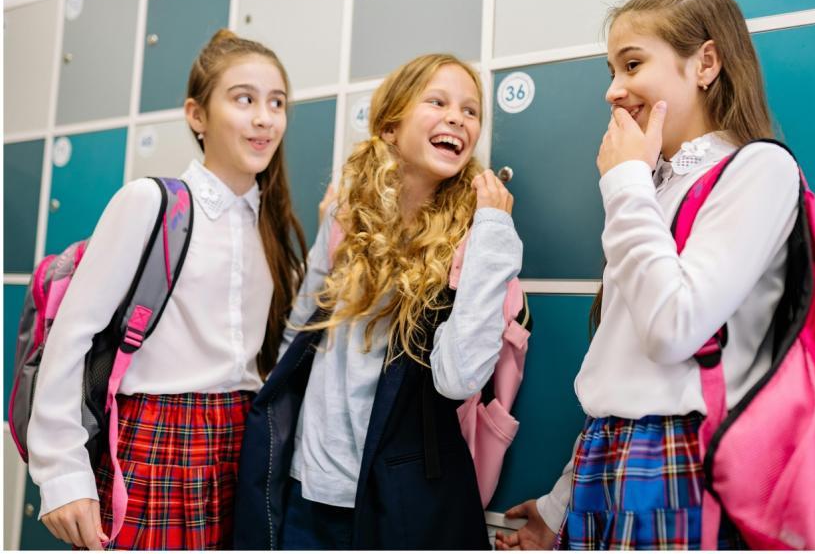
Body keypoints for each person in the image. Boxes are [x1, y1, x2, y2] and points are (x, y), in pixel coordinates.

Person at [496, 0, 799, 550]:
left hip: (681, 460)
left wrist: (625, 183)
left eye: (633, 64)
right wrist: (560, 503)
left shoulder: (758, 168)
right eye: (612, 69)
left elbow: (673, 330)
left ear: (705, 63)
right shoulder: (650, 184)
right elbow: (621, 371)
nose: (613, 89)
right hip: (606, 456)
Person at [27, 29, 307, 550]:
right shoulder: (150, 203)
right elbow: (72, 337)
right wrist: (62, 472)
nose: (265, 118)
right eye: (244, 99)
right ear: (197, 115)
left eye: (277, 103)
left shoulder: (272, 229)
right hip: (157, 442)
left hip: (241, 445)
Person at [233, 53, 522, 549]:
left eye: (470, 110)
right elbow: (298, 332)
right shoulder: (347, 217)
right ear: (390, 127)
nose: (457, 116)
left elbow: (459, 378)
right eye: (437, 101)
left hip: (399, 499)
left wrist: (493, 231)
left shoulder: (477, 238)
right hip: (309, 487)